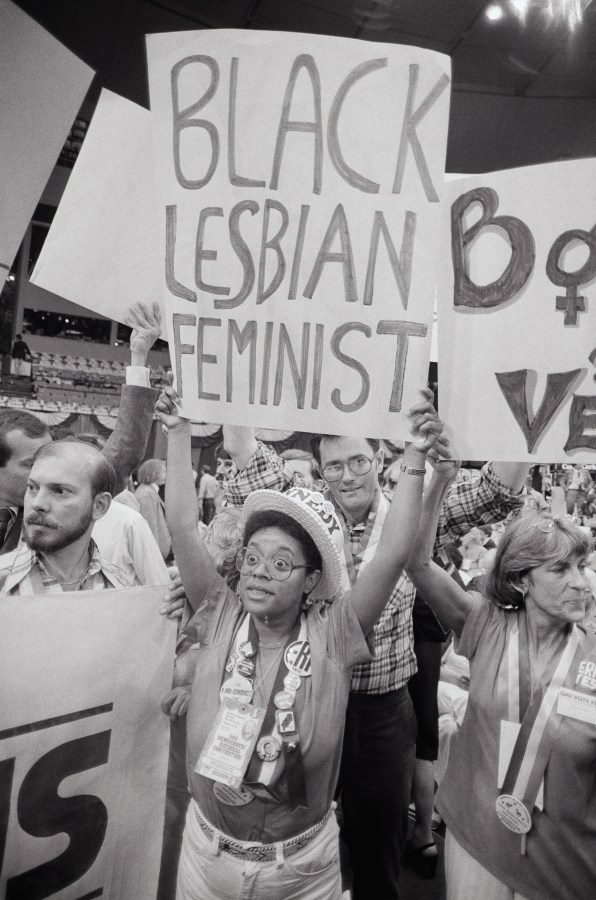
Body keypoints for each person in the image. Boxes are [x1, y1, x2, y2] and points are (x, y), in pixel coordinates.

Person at [155, 383, 443, 899]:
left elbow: (395, 552)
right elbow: (180, 522)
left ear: (311, 581)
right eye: (253, 556)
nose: (261, 572)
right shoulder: (221, 613)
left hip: (300, 871)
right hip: (204, 857)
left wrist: (417, 455)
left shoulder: (334, 634)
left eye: (282, 562)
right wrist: (176, 432)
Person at [220, 425, 528, 898]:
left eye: (359, 461)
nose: (348, 476)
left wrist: (527, 425)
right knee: (287, 836)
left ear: (380, 456)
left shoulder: (414, 507)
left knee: (379, 848)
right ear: (321, 472)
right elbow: (246, 455)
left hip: (381, 714)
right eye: (335, 466)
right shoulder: (304, 511)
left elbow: (497, 488)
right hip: (301, 706)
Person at [407, 460, 596, 900]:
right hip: (478, 847)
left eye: (580, 567)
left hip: (564, 865)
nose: (580, 584)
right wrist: (442, 478)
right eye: (560, 570)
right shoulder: (485, 624)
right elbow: (417, 562)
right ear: (521, 580)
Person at [0, 301, 161, 556]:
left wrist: (138, 358)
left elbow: (124, 451)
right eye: (31, 464)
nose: (47, 471)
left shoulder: (60, 512)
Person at [0, 438, 133, 593]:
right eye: (32, 487)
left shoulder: (121, 588)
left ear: (99, 506)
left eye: (60, 491)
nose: (37, 503)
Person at [135, 458, 172, 561]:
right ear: (154, 473)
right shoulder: (148, 494)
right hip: (151, 555)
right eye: (164, 472)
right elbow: (151, 526)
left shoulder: (149, 491)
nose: (166, 475)